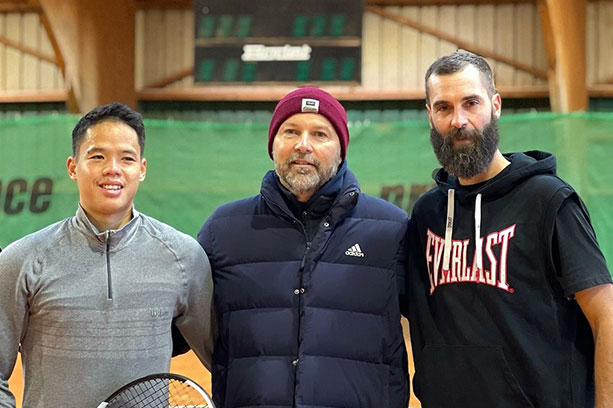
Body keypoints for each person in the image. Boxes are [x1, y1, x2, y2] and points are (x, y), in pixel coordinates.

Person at [407, 51, 613, 407]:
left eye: (471, 103)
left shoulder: (548, 201)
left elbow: (605, 315)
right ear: (430, 116)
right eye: (443, 108)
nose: (459, 120)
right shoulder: (427, 213)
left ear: (496, 105)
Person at [196, 87, 409, 407]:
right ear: (272, 146)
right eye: (290, 131)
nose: (302, 145)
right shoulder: (222, 229)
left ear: (341, 150)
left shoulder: (392, 230)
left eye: (320, 134)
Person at [0, 103, 216, 408]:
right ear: (73, 167)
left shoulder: (183, 257)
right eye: (97, 156)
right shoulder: (22, 260)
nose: (112, 168)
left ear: (141, 169)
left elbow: (224, 361)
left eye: (126, 158)